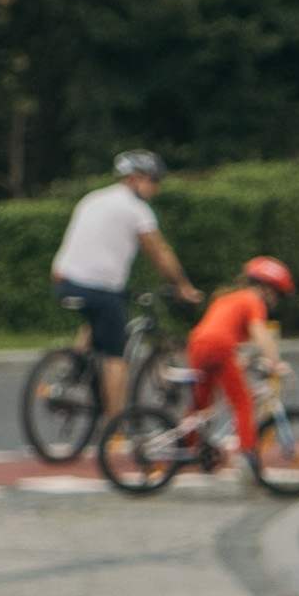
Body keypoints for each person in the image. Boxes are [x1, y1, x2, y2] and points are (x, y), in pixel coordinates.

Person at [49, 148, 191, 416]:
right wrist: (182, 285)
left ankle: (72, 373)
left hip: (64, 280)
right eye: (153, 181)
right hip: (100, 288)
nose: (155, 188)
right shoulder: (137, 209)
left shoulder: (93, 199)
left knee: (95, 321)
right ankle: (115, 426)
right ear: (135, 178)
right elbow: (160, 252)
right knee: (116, 355)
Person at [176, 253, 299, 467]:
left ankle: (186, 447)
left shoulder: (229, 297)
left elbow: (224, 331)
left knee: (202, 405)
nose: (274, 300)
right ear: (266, 288)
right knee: (242, 402)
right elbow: (260, 333)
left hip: (198, 345)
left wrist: (243, 360)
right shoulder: (253, 300)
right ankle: (247, 455)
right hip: (219, 346)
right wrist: (275, 362)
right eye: (276, 294)